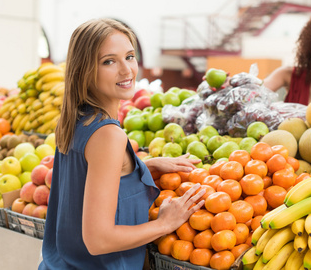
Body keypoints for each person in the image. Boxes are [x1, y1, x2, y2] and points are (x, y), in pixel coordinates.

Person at [39, 18, 205, 270]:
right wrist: (165, 224)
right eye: (109, 61)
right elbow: (98, 240)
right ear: (85, 70)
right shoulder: (108, 134)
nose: (126, 70)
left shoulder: (77, 118)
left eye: (129, 56)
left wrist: (140, 166)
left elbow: (88, 179)